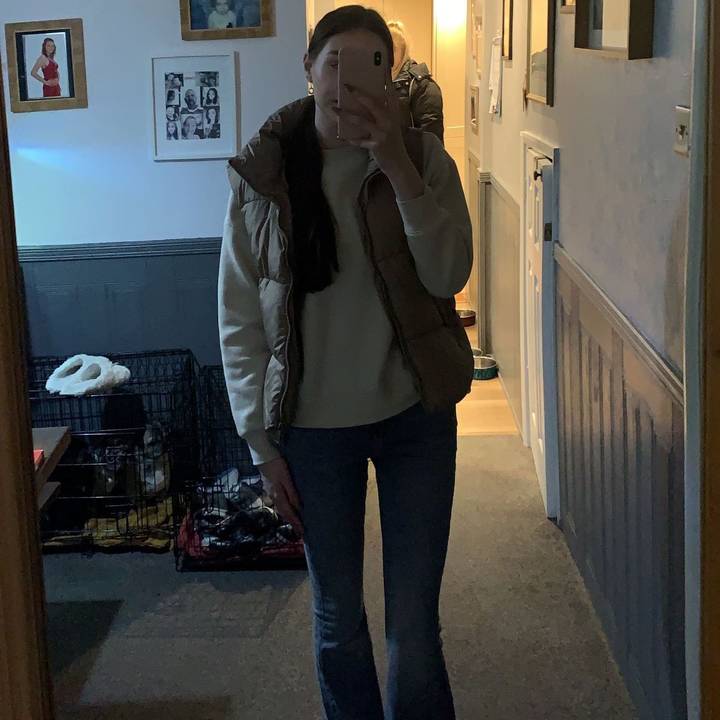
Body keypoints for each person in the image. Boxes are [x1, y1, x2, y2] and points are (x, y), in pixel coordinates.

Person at [218, 6, 472, 719]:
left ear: (391, 77)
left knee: (415, 626)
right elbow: (238, 315)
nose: (345, 83)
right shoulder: (265, 173)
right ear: (308, 69)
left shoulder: (424, 159)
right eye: (332, 63)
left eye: (368, 67)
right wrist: (260, 443)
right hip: (312, 430)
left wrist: (397, 164)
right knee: (337, 622)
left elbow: (449, 273)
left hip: (415, 418)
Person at [387, 20, 444, 143]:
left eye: (392, 49)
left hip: (410, 155)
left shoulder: (423, 87)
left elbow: (431, 142)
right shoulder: (377, 82)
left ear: (403, 51)